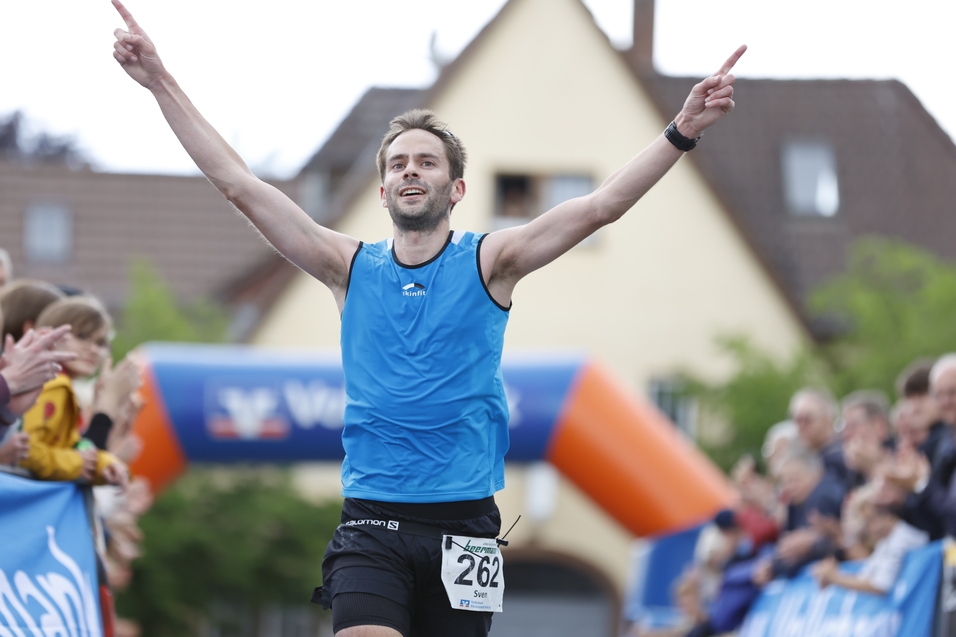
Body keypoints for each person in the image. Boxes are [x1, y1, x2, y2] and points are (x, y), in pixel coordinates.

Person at [109, 2, 745, 634]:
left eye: (427, 161)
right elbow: (240, 187)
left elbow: (601, 206)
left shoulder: (491, 262)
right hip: (371, 524)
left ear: (456, 189)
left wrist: (682, 130)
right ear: (383, 189)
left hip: (465, 529)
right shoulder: (347, 267)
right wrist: (161, 80)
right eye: (397, 164)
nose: (410, 169)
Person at [18, 296, 128, 488]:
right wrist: (77, 464)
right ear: (51, 334)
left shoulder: (64, 387)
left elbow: (73, 445)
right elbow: (24, 449)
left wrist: (105, 464)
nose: (93, 350)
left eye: (101, 343)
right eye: (82, 337)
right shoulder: (51, 385)